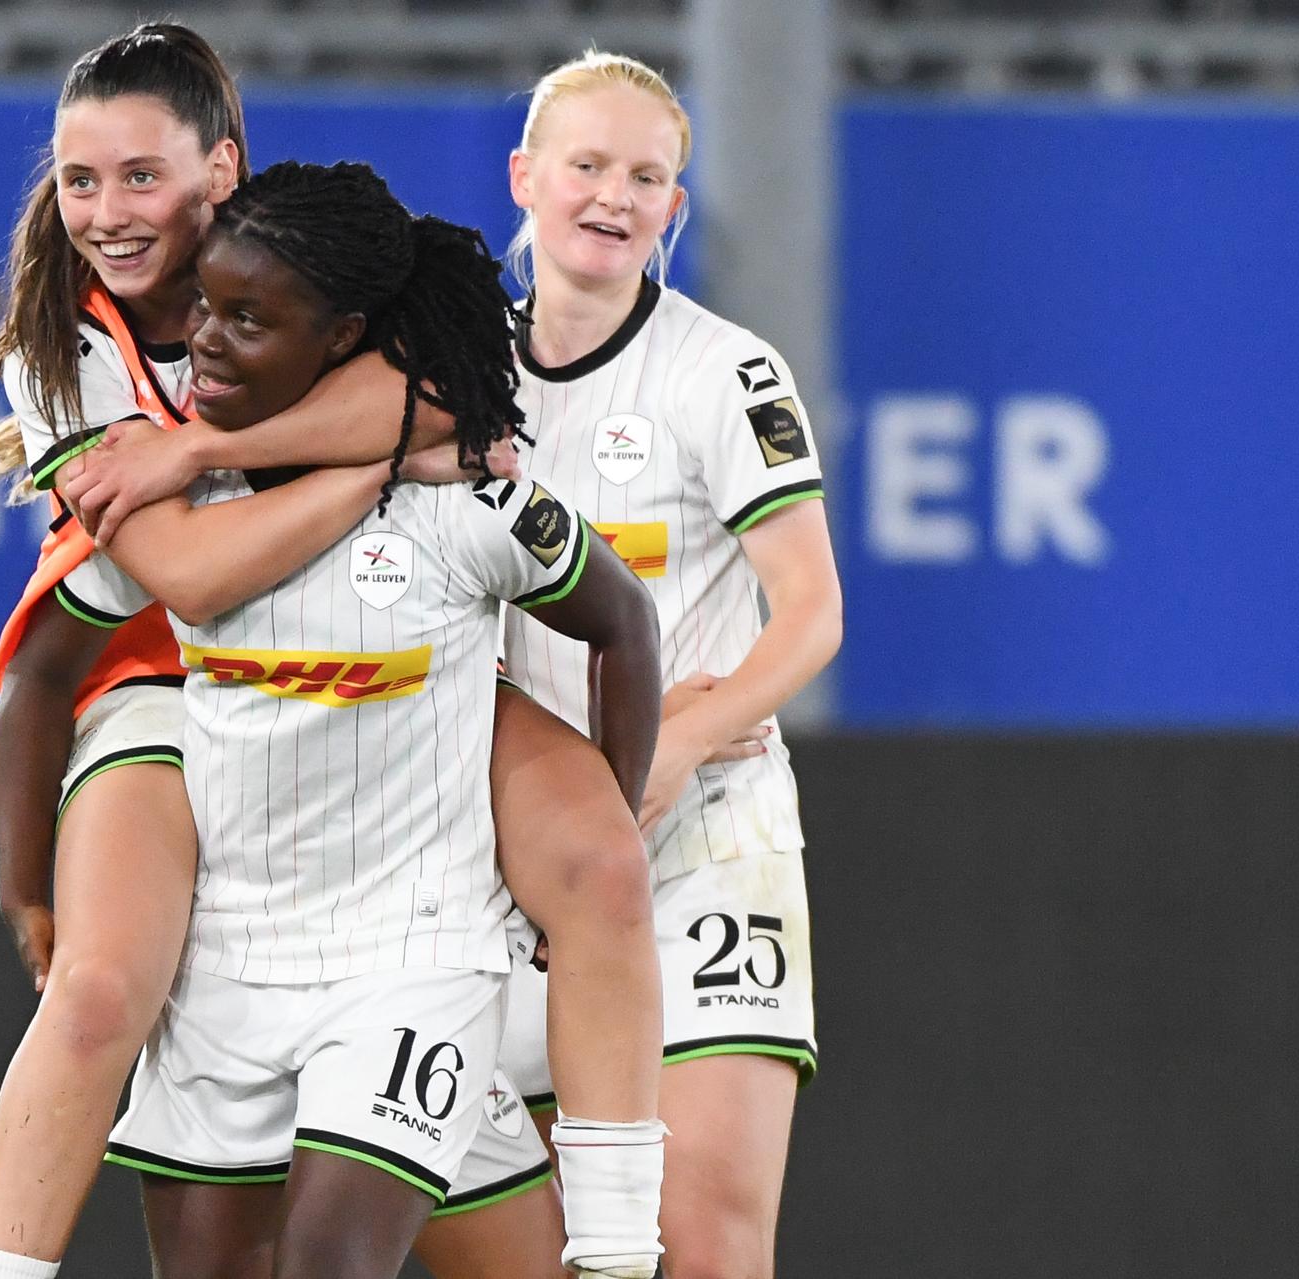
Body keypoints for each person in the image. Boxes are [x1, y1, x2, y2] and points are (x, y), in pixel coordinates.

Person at [65, 158, 664, 1279]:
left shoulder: (468, 499)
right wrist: (26, 877)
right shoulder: (170, 499)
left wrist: (614, 810)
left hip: (411, 962)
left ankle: (625, 1246)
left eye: (249, 319)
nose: (205, 339)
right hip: (227, 965)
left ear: (343, 336)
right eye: (204, 305)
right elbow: (45, 670)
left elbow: (625, 622)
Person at [0, 26, 489, 1279]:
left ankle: (622, 1208)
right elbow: (186, 580)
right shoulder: (57, 345)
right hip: (173, 676)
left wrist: (200, 449)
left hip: (382, 663)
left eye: (143, 175)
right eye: (81, 180)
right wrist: (377, 466)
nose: (108, 212)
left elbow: (467, 387)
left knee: (585, 859)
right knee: (100, 989)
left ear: (222, 168)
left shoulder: (308, 249)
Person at [495, 50, 845, 1279]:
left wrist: (682, 740)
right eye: (587, 165)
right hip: (523, 852)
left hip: (705, 840)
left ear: (675, 207)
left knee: (704, 1241)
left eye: (646, 177)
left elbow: (812, 613)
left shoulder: (725, 371)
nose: (614, 196)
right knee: (562, 1253)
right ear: (525, 178)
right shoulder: (454, 374)